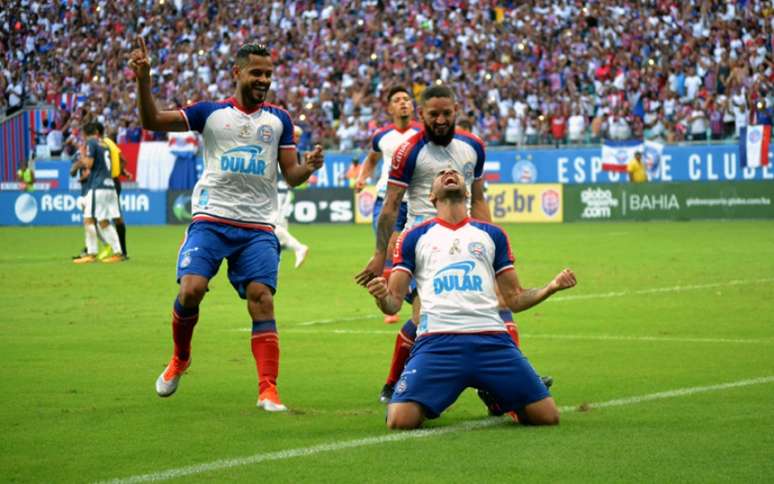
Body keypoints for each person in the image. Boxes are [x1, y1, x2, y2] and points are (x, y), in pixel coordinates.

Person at [128, 37, 323, 411]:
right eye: (256, 72)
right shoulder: (211, 114)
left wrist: (308, 167)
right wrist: (144, 80)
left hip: (258, 226)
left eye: (268, 73)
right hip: (212, 220)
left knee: (261, 301)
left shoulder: (279, 120)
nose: (263, 79)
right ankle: (180, 358)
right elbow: (151, 120)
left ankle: (268, 388)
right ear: (237, 73)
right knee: (191, 290)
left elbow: (292, 175)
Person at [356, 84, 530, 405]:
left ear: (456, 111)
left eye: (446, 113)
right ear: (422, 114)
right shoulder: (408, 152)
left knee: (499, 302)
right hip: (421, 246)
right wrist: (380, 255)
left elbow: (478, 199)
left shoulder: (473, 146)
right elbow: (391, 206)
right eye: (433, 114)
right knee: (425, 314)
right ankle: (395, 383)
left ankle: (507, 380)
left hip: (465, 241)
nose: (439, 119)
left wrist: (493, 242)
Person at [366, 168, 577, 429]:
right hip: (437, 343)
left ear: (467, 191)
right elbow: (394, 303)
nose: (449, 172)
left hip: (491, 341)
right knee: (399, 421)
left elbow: (515, 298)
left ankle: (500, 397)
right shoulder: (414, 237)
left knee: (547, 416)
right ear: (431, 195)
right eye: (441, 173)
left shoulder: (492, 235)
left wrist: (550, 287)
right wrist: (381, 297)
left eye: (454, 171)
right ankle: (435, 394)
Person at [354, 85, 421, 324]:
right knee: (392, 250)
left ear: (412, 106)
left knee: (409, 253)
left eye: (406, 99)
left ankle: (412, 299)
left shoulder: (422, 133)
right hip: (386, 200)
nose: (403, 103)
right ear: (390, 108)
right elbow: (372, 160)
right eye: (398, 100)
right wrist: (363, 177)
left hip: (413, 201)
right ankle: (408, 301)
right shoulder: (382, 136)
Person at [71, 122, 125, 264]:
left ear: (85, 134)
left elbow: (89, 164)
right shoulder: (104, 144)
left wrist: (81, 158)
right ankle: (118, 252)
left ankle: (91, 253)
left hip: (98, 186)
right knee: (103, 221)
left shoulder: (91, 143)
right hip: (110, 185)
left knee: (89, 219)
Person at [273, 125, 309, 269]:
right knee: (279, 233)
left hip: (281, 193)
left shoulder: (292, 152)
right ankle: (275, 266)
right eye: (295, 136)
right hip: (277, 191)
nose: (297, 139)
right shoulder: (281, 149)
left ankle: (299, 247)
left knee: (273, 227)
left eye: (299, 136)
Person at [98, 123, 131, 259]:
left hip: (106, 182)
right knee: (111, 216)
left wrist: (117, 171)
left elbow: (117, 161)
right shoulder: (113, 145)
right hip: (114, 181)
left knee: (98, 215)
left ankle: (118, 250)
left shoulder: (104, 143)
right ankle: (120, 250)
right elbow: (123, 160)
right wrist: (121, 171)